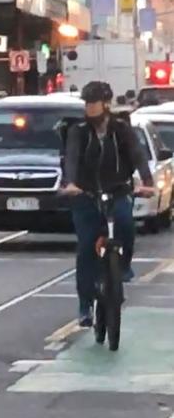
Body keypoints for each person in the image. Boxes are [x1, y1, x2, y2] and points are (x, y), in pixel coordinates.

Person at [62, 81, 155, 327]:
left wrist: (147, 181)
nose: (89, 108)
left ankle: (123, 267)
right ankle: (85, 306)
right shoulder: (78, 131)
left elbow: (137, 155)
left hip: (117, 189)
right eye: (86, 103)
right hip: (86, 193)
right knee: (86, 248)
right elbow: (71, 158)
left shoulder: (121, 129)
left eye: (93, 103)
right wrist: (71, 183)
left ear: (105, 104)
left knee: (125, 223)